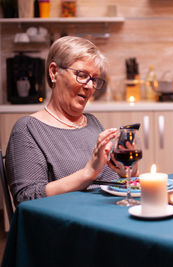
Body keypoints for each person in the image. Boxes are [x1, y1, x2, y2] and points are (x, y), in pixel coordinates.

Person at [6, 36, 137, 205]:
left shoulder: (92, 122)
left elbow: (112, 183)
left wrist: (128, 171)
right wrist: (88, 172)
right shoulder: (27, 129)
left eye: (94, 79)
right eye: (82, 75)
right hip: (67, 226)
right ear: (54, 72)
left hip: (110, 216)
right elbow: (27, 198)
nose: (90, 86)